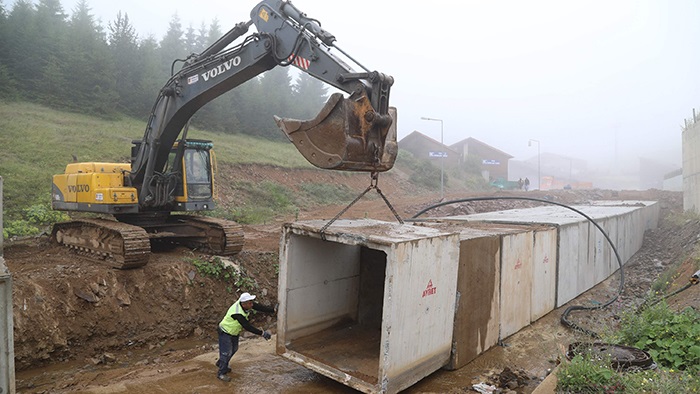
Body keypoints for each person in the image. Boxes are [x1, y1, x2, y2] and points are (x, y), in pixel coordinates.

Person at [216, 292, 275, 382]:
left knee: (234, 349)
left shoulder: (246, 304)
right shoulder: (237, 313)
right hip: (225, 332)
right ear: (244, 304)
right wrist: (262, 333)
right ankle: (221, 373)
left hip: (233, 332)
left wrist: (272, 310)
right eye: (250, 303)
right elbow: (247, 326)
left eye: (251, 302)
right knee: (226, 352)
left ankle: (221, 362)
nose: (252, 304)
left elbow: (258, 307)